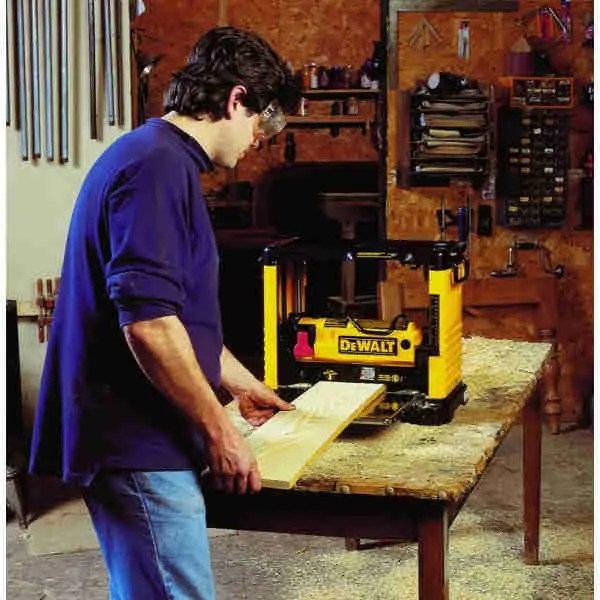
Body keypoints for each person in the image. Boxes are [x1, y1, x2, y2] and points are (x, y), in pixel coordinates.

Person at [29, 26, 301, 599]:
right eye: (262, 122)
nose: (259, 140)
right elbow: (149, 325)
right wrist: (219, 432)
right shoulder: (155, 167)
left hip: (144, 434)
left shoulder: (157, 156)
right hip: (135, 438)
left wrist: (240, 383)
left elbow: (176, 314)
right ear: (236, 100)